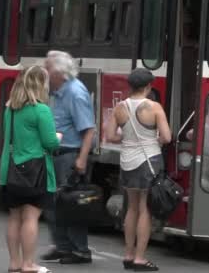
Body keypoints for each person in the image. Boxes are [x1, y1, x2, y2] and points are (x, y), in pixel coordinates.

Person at [105, 68, 171, 272]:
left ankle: (128, 254)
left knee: (131, 208)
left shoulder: (120, 107)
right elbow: (167, 138)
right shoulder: (154, 107)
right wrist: (153, 140)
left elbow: (110, 136)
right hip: (148, 160)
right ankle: (140, 258)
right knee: (145, 209)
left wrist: (128, 139)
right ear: (148, 87)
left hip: (127, 161)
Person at [0, 65, 60, 273]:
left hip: (11, 169)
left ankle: (14, 262)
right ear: (39, 84)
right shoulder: (41, 110)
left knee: (14, 217)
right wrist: (58, 138)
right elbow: (50, 143)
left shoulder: (11, 109)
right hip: (36, 171)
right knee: (31, 217)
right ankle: (28, 264)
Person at [41, 50, 96, 265]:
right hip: (55, 153)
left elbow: (88, 129)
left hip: (68, 155)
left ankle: (80, 250)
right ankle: (62, 246)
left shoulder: (75, 92)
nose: (45, 73)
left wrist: (81, 160)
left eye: (48, 69)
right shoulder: (56, 91)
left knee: (71, 205)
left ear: (59, 73)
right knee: (52, 203)